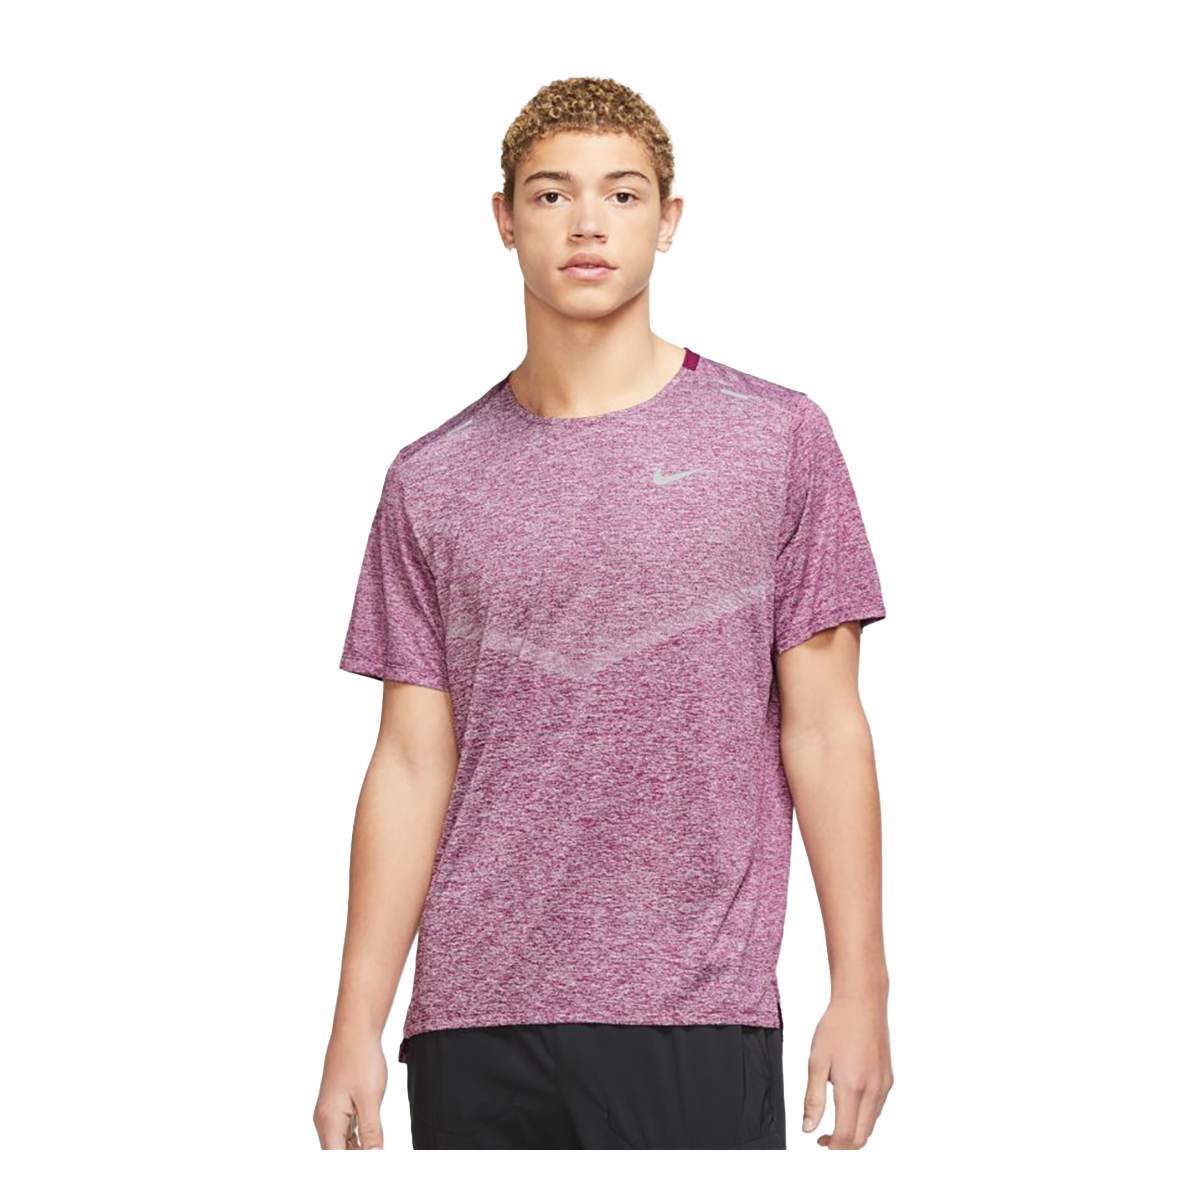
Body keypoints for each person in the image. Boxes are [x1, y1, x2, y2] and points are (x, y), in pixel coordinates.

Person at [313, 74, 893, 1151]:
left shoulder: (775, 441)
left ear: (668, 220)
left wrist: (862, 992)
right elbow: (410, 762)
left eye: (622, 194)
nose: (587, 224)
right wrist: (357, 1024)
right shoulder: (430, 480)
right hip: (474, 1019)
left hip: (694, 1008)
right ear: (505, 220)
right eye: (552, 194)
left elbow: (823, 727)